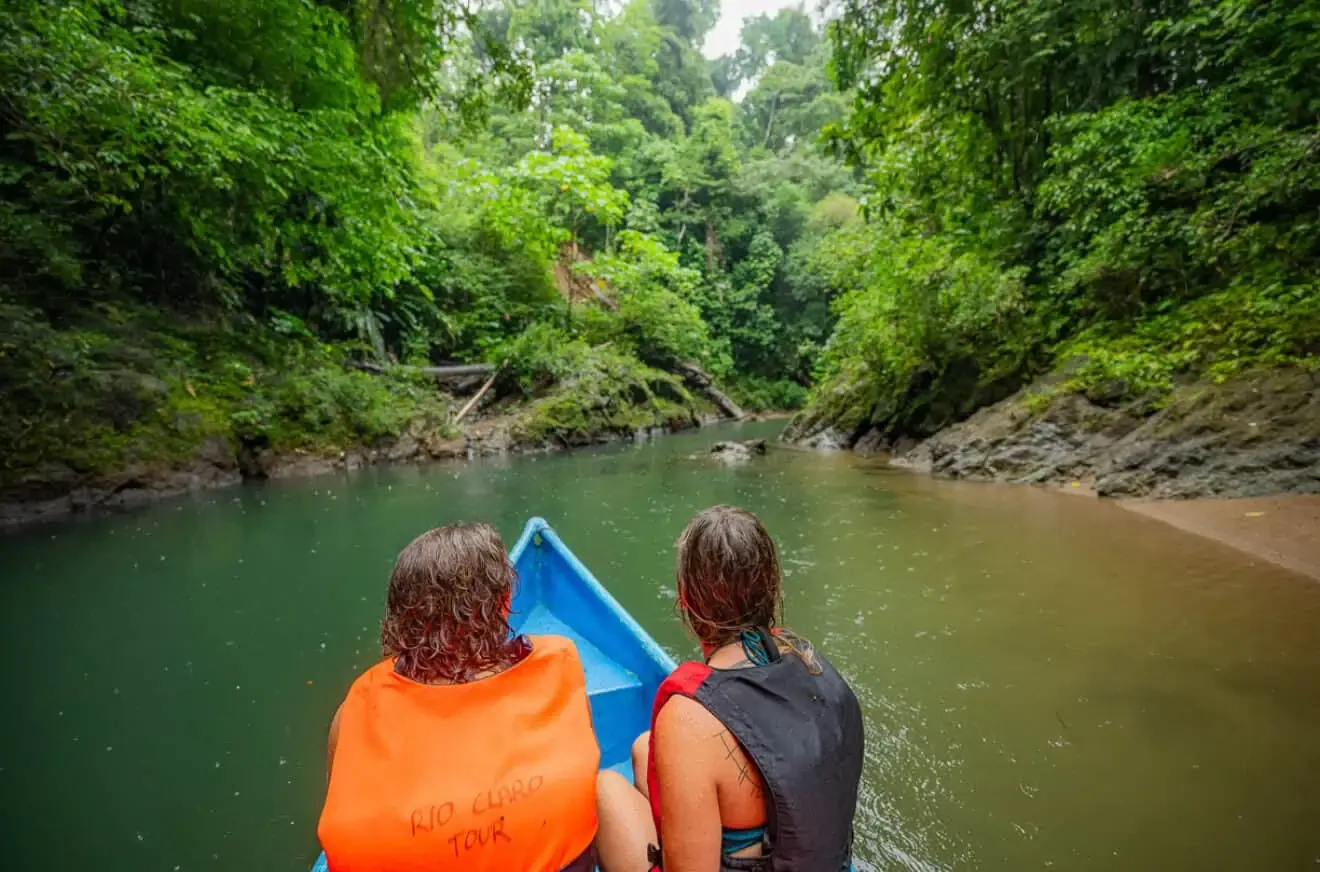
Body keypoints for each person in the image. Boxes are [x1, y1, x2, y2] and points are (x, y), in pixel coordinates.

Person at [595, 506, 865, 872]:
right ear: (771, 589)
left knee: (608, 788)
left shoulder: (690, 720)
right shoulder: (811, 663)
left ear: (685, 599)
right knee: (644, 748)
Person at [318, 523, 600, 872]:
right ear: (504, 602)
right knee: (608, 788)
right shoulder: (559, 661)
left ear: (402, 618)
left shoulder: (356, 706)